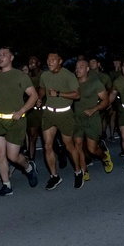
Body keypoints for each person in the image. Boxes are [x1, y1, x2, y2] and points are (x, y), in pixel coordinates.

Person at [0, 47, 39, 196]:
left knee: (12, 156)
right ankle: (6, 185)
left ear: (11, 58)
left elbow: (33, 96)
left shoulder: (20, 75)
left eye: (4, 55)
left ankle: (28, 168)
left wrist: (21, 111)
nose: (1, 57)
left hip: (16, 121)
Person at [37, 53, 82, 190]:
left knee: (69, 146)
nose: (50, 62)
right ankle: (54, 176)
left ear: (60, 61)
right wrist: (39, 98)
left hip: (65, 114)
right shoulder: (45, 75)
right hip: (49, 113)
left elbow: (77, 94)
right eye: (48, 60)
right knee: (48, 145)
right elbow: (42, 89)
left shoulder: (68, 75)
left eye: (53, 60)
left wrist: (58, 93)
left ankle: (78, 172)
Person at [72, 58, 114, 182]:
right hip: (77, 119)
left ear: (87, 69)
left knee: (92, 149)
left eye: (81, 67)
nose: (77, 69)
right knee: (78, 145)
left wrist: (94, 109)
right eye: (76, 67)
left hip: (92, 119)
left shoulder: (95, 82)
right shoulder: (73, 83)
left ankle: (104, 156)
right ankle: (84, 171)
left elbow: (105, 100)